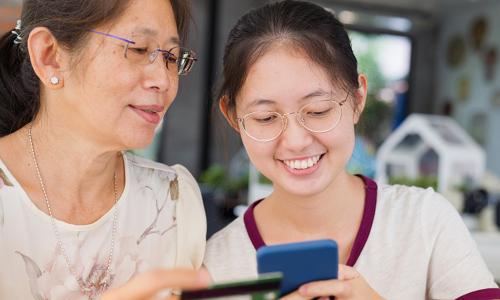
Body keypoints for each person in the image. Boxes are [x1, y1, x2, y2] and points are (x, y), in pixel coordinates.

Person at [203, 1, 500, 299]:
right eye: (266, 118)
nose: (295, 141)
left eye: (318, 111)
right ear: (233, 118)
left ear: (358, 100)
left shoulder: (424, 221)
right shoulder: (216, 266)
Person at [0, 0, 211, 299]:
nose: (163, 80)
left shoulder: (172, 203)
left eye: (171, 58)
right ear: (50, 56)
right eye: (138, 49)